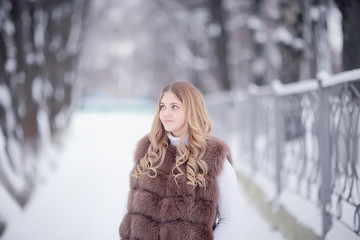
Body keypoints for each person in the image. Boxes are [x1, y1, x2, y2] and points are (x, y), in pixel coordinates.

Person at [119, 81, 239, 240]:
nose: (166, 113)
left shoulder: (214, 157)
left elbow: (228, 221)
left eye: (174, 106)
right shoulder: (148, 150)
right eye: (163, 106)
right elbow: (131, 210)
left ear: (192, 110)